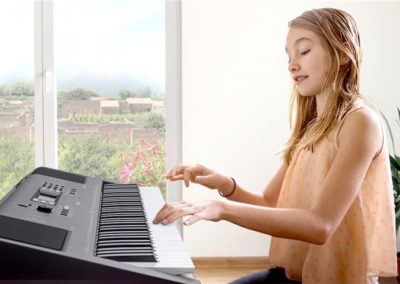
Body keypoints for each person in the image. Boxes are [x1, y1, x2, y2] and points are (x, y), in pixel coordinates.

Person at [153, 7, 397, 284]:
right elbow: (270, 203)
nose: (292, 64)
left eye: (303, 51)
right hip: (295, 274)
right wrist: (225, 185)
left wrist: (222, 210)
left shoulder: (360, 122)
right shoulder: (311, 126)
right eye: (289, 55)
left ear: (342, 54)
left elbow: (321, 225)